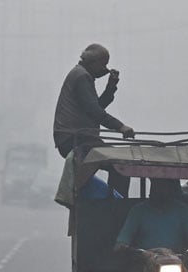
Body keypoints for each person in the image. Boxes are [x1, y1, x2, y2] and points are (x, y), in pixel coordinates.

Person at [53, 43, 134, 195]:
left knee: (116, 163)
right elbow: (94, 111)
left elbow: (96, 106)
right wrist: (120, 126)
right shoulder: (82, 76)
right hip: (75, 139)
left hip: (77, 138)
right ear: (94, 62)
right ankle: (116, 208)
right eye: (103, 64)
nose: (105, 68)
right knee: (121, 165)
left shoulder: (82, 74)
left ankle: (111, 202)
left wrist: (110, 87)